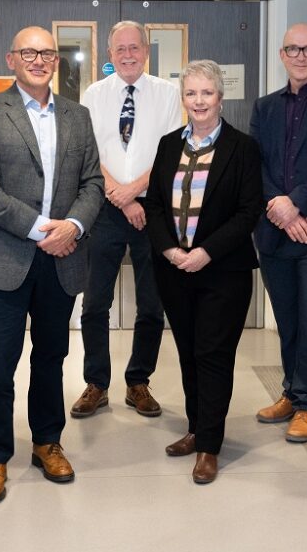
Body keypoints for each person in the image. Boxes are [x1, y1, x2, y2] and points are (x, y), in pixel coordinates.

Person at [0, 26, 103, 503]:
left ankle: (47, 442)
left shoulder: (77, 116)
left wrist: (75, 227)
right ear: (12, 59)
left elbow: (92, 184)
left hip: (61, 259)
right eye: (29, 52)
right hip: (3, 254)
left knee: (52, 356)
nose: (39, 60)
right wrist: (44, 228)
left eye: (46, 53)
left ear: (56, 62)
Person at [142, 60, 264, 484]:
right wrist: (169, 250)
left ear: (220, 97)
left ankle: (209, 446)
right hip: (174, 269)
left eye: (206, 93)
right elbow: (154, 205)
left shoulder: (243, 148)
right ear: (183, 99)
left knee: (213, 355)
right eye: (191, 94)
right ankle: (195, 429)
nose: (199, 101)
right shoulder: (167, 145)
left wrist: (206, 252)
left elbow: (249, 211)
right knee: (189, 352)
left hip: (222, 271)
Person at [72, 21, 182, 420]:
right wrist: (119, 194)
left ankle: (139, 382)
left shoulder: (168, 94)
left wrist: (135, 193)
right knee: (95, 302)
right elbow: (88, 153)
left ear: (147, 51)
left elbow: (170, 153)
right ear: (109, 53)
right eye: (120, 49)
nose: (128, 55)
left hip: (151, 211)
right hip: (104, 209)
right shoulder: (94, 94)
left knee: (152, 303)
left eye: (135, 47)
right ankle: (96, 384)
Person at [250, 23, 307, 442]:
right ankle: (291, 391)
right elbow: (256, 164)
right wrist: (279, 208)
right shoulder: (264, 106)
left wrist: (298, 204)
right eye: (293, 49)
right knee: (287, 321)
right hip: (274, 232)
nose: (301, 56)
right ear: (282, 55)